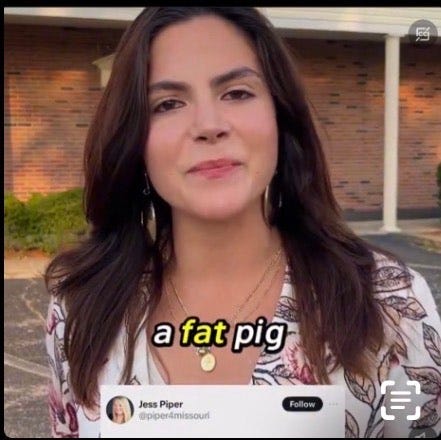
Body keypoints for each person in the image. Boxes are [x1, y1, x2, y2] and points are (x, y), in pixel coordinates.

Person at [45, 6, 441, 438]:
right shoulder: (80, 308)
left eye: (236, 93)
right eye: (168, 103)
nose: (209, 125)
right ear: (134, 139)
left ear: (280, 118)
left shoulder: (388, 301)